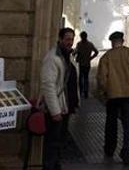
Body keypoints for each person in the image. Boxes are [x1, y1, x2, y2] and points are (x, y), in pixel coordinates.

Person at [97, 31, 129, 165]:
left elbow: (102, 79)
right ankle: (127, 151)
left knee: (111, 124)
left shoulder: (106, 57)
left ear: (112, 42)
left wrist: (104, 91)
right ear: (122, 40)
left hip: (113, 95)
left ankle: (109, 148)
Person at [40, 27, 78, 170]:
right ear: (60, 39)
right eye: (67, 39)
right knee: (52, 143)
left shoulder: (67, 55)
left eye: (72, 39)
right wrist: (55, 111)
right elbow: (48, 85)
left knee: (60, 142)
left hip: (64, 107)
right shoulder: (52, 58)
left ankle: (55, 166)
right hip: (56, 109)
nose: (70, 42)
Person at [75, 31, 99, 99]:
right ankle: (86, 93)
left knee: (81, 78)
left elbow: (76, 51)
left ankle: (80, 91)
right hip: (87, 63)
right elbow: (96, 52)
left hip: (81, 63)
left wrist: (74, 54)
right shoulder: (90, 44)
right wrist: (91, 58)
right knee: (86, 78)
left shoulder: (79, 44)